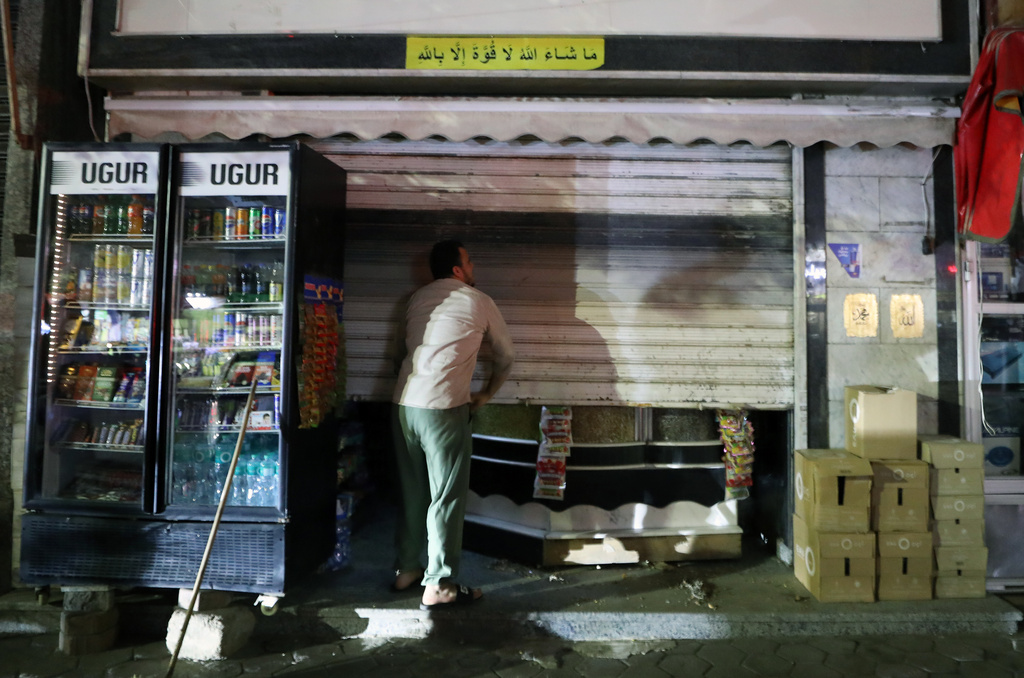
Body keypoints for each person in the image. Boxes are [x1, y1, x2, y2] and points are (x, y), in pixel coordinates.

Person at [391, 239, 516, 609]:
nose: (474, 267)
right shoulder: (477, 300)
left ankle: (406, 570)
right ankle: (441, 583)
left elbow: (402, 349)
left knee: (413, 492)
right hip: (443, 409)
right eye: (470, 261)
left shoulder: (416, 299)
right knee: (445, 498)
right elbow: (507, 356)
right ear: (459, 270)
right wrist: (488, 393)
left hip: (402, 406)